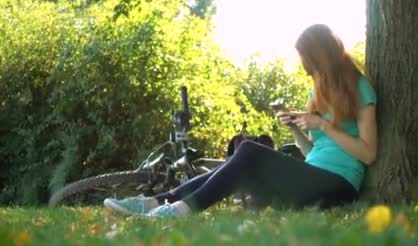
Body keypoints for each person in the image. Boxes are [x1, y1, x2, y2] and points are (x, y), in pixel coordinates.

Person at [103, 24, 378, 217]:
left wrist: (324, 126)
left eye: (311, 64)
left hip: (337, 187)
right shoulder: (316, 93)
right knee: (240, 163)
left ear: (323, 58)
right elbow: (312, 152)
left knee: (248, 151)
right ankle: (154, 203)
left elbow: (368, 153)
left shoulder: (360, 88)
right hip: (310, 180)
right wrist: (296, 128)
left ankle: (179, 210)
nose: (309, 71)